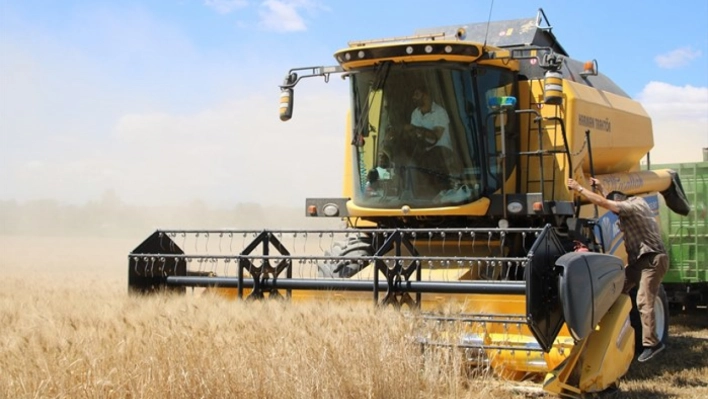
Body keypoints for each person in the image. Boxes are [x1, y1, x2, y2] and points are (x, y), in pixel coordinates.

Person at [567, 177, 668, 363]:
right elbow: (611, 200)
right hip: (639, 261)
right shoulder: (633, 203)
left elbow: (607, 203)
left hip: (652, 260)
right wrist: (601, 188)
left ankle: (652, 343)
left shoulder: (631, 207)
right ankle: (615, 328)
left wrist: (579, 188)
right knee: (616, 288)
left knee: (644, 300)